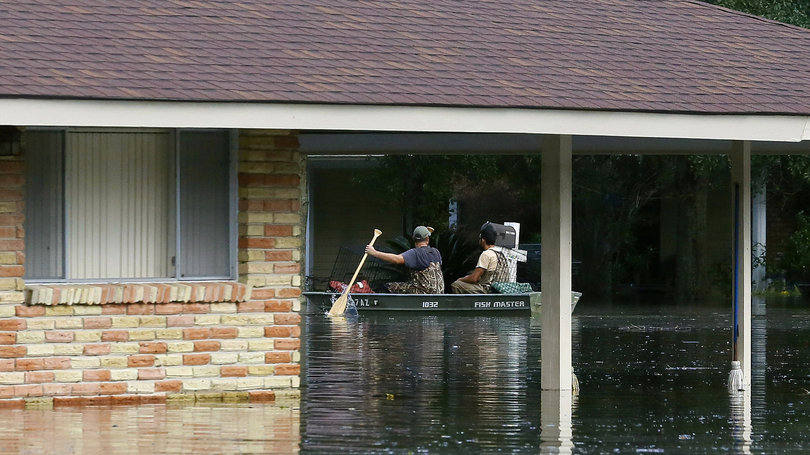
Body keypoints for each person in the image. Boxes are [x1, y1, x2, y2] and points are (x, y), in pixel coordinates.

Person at [365, 226, 445, 294]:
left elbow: (396, 259)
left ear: (414, 239)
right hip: (439, 292)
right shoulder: (435, 252)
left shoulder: (415, 253)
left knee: (387, 287)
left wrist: (374, 252)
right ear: (427, 239)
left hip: (423, 292)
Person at [451, 222, 509, 294]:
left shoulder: (486, 254)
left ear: (483, 240)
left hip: (488, 290)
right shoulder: (501, 254)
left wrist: (461, 279)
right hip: (500, 290)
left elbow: (474, 278)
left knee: (456, 284)